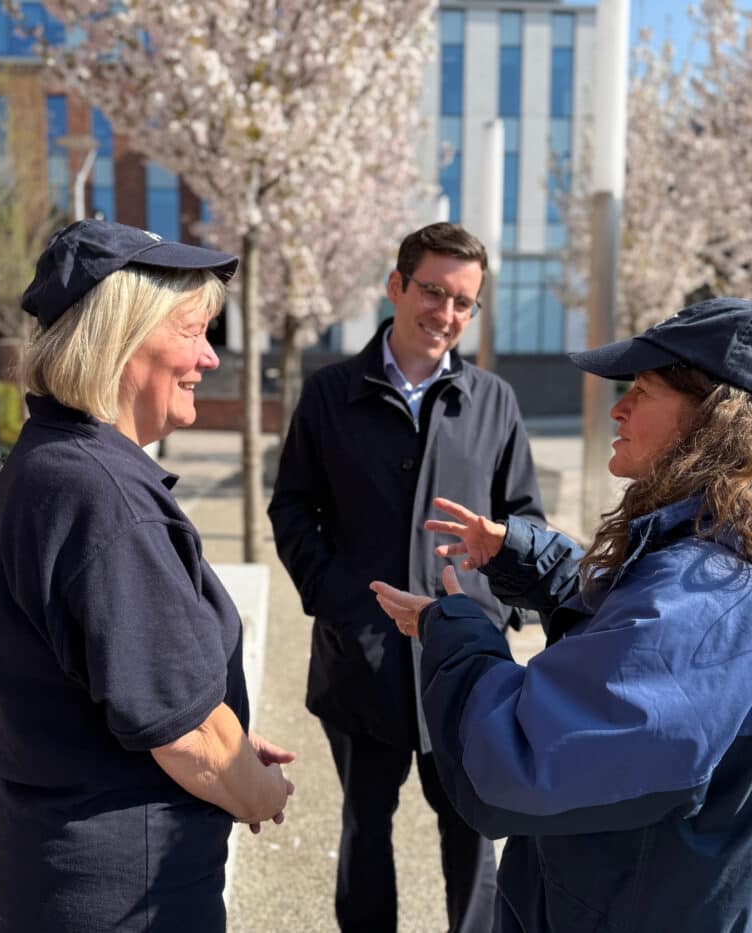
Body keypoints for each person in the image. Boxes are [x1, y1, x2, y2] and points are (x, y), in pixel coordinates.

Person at [371, 297, 752, 932]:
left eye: (644, 389)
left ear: (718, 422)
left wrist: (457, 630)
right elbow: (645, 629)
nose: (619, 407)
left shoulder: (713, 596)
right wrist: (538, 562)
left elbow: (519, 761)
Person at [0, 220, 295, 932]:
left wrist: (228, 739)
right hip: (125, 891)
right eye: (192, 331)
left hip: (56, 869)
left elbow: (116, 681)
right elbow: (187, 739)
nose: (209, 358)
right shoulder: (102, 495)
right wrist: (255, 786)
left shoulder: (44, 461)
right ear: (119, 337)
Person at [268, 222, 545, 932]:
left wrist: (494, 611)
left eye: (463, 302)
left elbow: (524, 520)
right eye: (432, 292)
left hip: (467, 664)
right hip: (359, 662)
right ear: (395, 286)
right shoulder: (330, 394)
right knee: (364, 830)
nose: (445, 315)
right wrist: (337, 601)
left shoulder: (493, 402)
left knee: (473, 835)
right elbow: (292, 504)